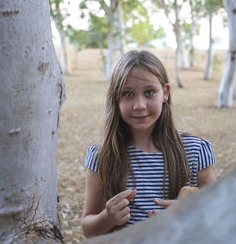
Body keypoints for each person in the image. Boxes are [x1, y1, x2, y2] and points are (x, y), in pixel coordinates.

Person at [81, 50, 216, 238]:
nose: (140, 105)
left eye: (149, 92)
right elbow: (88, 229)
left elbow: (219, 212)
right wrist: (107, 217)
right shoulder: (101, 157)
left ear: (165, 93)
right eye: (128, 94)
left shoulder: (194, 151)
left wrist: (191, 212)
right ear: (115, 98)